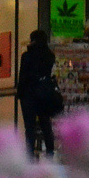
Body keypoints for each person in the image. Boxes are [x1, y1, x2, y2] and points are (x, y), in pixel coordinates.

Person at [17, 28, 57, 157]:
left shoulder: (27, 56)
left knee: (30, 126)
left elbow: (23, 76)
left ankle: (29, 151)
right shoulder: (49, 56)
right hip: (44, 94)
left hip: (29, 94)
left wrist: (20, 93)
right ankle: (50, 149)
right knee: (45, 123)